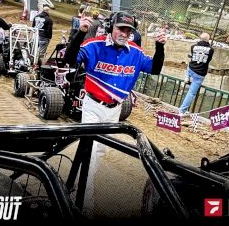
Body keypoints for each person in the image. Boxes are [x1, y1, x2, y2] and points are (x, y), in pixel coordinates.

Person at [64, 11, 166, 214]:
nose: (125, 33)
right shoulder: (94, 45)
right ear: (111, 26)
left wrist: (160, 47)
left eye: (129, 30)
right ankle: (85, 204)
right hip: (93, 106)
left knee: (98, 152)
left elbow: (154, 69)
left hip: (115, 110)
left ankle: (71, 185)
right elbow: (69, 59)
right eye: (121, 28)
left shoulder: (135, 52)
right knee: (91, 154)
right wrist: (79, 32)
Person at [179, 32, 214, 115]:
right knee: (191, 93)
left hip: (191, 69)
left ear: (200, 38)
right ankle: (181, 111)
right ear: (208, 40)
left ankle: (187, 77)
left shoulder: (193, 47)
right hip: (200, 73)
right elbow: (208, 60)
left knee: (189, 63)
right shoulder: (211, 50)